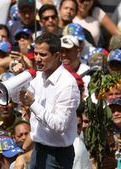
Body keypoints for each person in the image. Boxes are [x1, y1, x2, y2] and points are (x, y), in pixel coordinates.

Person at [20, 32, 80, 168]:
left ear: (57, 56)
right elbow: (22, 100)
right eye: (35, 53)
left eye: (43, 54)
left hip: (58, 156)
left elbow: (60, 125)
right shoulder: (38, 77)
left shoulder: (67, 84)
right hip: (38, 150)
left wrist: (32, 104)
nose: (37, 59)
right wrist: (19, 80)